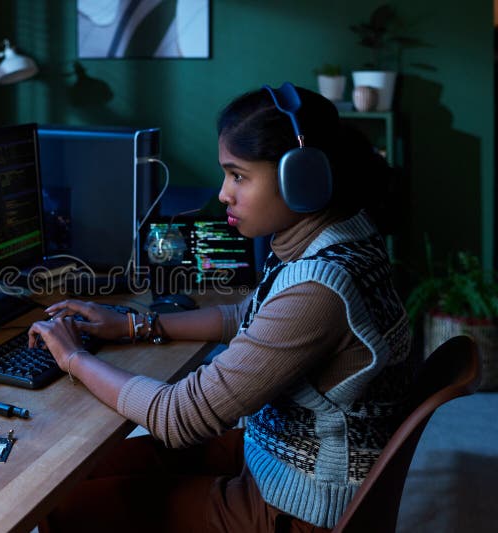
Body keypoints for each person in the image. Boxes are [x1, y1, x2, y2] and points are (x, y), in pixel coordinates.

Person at [29, 84, 413, 532]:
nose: (224, 193)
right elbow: (245, 315)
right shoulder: (338, 235)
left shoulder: (320, 288)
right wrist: (134, 325)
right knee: (82, 470)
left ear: (302, 179)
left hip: (294, 506)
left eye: (238, 176)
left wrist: (73, 357)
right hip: (277, 453)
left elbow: (180, 417)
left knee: (69, 508)